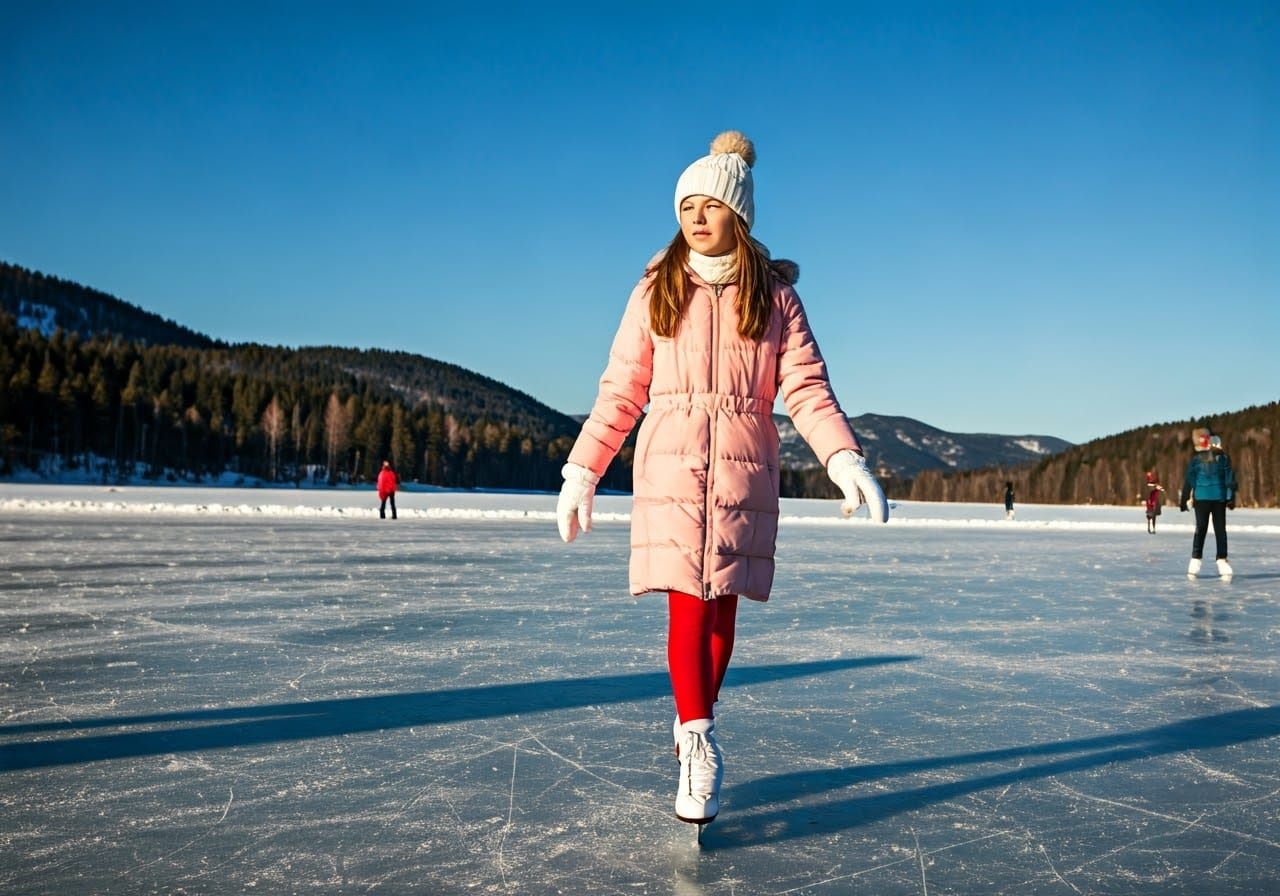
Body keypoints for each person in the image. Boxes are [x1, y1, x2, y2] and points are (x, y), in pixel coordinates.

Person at [554, 131, 888, 828]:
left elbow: (806, 388)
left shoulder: (774, 298)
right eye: (687, 205)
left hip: (743, 468)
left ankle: (693, 721)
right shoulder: (657, 288)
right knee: (686, 603)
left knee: (722, 608)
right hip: (672, 465)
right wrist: (583, 469)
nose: (697, 217)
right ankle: (697, 737)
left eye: (711, 205)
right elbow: (622, 390)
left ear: (737, 213)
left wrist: (843, 458)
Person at [1179, 428, 1237, 579]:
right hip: (1218, 498)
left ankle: (1195, 561)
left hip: (1202, 499)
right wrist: (1230, 498)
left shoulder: (1196, 459)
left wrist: (1184, 499)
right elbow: (1229, 480)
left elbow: (1189, 481)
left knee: (1201, 529)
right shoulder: (1224, 458)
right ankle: (1222, 561)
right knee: (1220, 530)